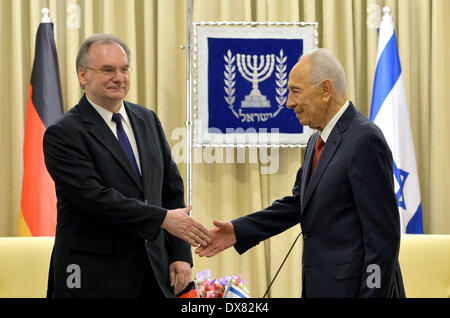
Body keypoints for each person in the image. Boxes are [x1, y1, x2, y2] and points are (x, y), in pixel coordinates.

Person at [196, 48, 405, 298]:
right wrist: (239, 231)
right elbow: (297, 205)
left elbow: (383, 238)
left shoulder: (364, 140)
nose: (288, 102)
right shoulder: (316, 141)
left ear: (325, 90)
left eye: (295, 91)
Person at [43, 34, 210, 298]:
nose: (119, 78)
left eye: (124, 69)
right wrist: (162, 219)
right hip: (94, 276)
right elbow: (95, 199)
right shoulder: (62, 133)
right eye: (108, 70)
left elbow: (171, 189)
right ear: (83, 75)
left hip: (154, 271)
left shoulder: (148, 119)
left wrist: (180, 255)